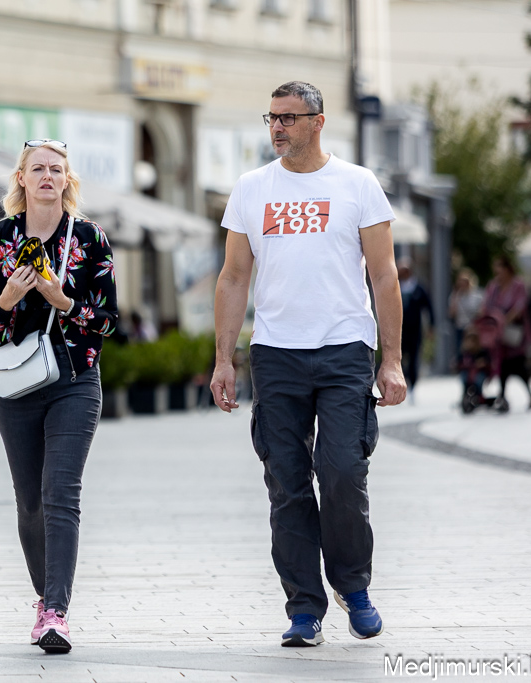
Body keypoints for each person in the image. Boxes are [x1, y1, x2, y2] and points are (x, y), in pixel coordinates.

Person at [210, 81, 406, 648]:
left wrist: (391, 361)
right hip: (276, 355)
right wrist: (223, 359)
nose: (277, 127)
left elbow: (384, 275)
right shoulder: (252, 188)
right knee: (287, 483)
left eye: (289, 118)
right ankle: (303, 608)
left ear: (318, 122)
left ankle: (353, 586)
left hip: (345, 349)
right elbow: (234, 277)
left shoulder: (357, 184)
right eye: (271, 117)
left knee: (342, 470)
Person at [0, 139, 118, 653]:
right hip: (17, 381)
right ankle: (45, 596)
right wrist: (9, 299)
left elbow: (108, 320)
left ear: (67, 179)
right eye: (37, 168)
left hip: (75, 378)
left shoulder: (90, 237)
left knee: (61, 492)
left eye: (56, 170)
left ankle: (56, 610)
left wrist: (63, 300)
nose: (46, 177)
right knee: (30, 501)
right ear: (21, 178)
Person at [483, 255, 531, 410]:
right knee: (502, 364)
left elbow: (519, 306)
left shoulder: (518, 285)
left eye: (499, 269)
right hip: (498, 334)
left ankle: (529, 393)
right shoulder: (494, 287)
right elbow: (486, 305)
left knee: (518, 365)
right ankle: (502, 396)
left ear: (507, 269)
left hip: (514, 332)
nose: (497, 273)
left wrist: (504, 321)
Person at [398, 259, 433, 401]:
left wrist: (431, 326)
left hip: (415, 329)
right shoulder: (396, 286)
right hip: (399, 330)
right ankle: (402, 381)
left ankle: (412, 385)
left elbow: (428, 307)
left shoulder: (418, 288)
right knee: (399, 357)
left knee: (413, 357)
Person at [448, 268, 483, 354]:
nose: (462, 283)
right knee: (460, 353)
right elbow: (451, 314)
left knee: (474, 353)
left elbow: (481, 312)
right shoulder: (455, 295)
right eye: (460, 281)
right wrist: (456, 298)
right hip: (460, 328)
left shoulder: (477, 295)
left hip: (473, 329)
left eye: (465, 281)